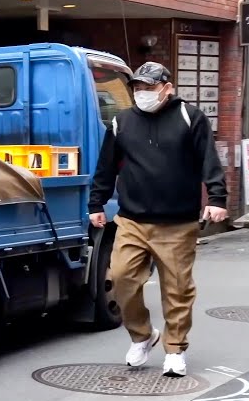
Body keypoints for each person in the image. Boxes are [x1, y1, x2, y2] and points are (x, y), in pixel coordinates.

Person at [88, 61, 228, 378]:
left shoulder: (189, 118)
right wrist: (96, 203)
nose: (142, 93)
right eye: (137, 87)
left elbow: (209, 160)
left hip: (178, 222)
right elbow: (105, 166)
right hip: (132, 220)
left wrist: (217, 198)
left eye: (149, 88)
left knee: (177, 289)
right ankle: (142, 335)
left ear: (167, 88)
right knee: (121, 279)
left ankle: (175, 349)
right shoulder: (121, 122)